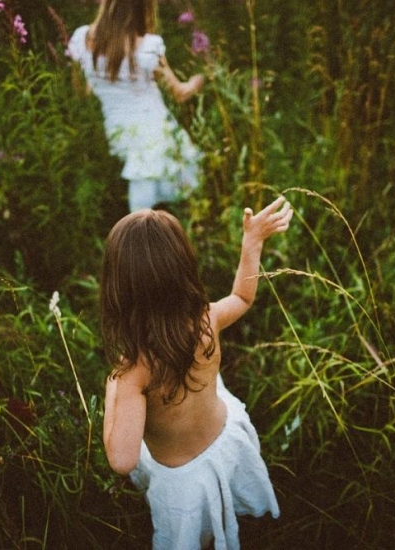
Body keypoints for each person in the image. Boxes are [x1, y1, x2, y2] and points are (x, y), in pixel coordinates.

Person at [100, 196, 293, 549]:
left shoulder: (132, 374)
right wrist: (252, 243)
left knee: (193, 537)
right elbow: (243, 297)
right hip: (226, 438)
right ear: (183, 269)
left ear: (118, 289)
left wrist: (114, 387)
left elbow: (122, 460)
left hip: (184, 479)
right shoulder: (206, 319)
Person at [67, 0, 205, 212]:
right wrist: (199, 80)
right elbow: (179, 93)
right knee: (178, 192)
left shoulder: (81, 39)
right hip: (153, 131)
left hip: (117, 131)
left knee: (143, 195)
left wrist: (107, 85)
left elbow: (81, 91)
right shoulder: (148, 47)